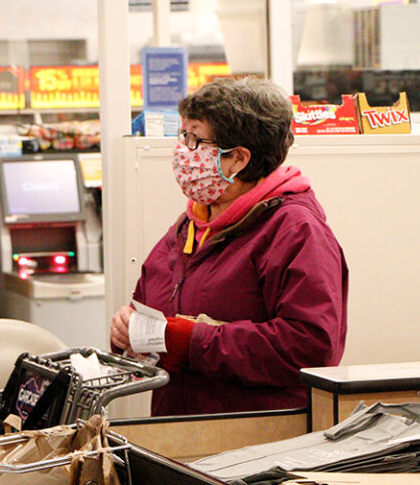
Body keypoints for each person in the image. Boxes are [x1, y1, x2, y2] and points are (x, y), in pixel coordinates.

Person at [110, 77, 348, 416]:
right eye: (183, 136)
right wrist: (129, 331)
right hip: (182, 433)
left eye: (195, 140)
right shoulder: (191, 225)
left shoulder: (295, 231)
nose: (183, 152)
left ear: (237, 158)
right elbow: (155, 308)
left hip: (252, 441)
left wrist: (191, 342)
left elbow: (311, 346)